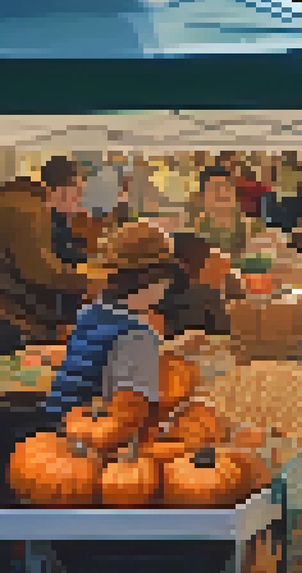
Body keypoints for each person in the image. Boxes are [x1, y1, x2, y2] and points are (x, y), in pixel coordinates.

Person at [43, 223, 178, 430]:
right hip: (88, 435)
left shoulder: (89, 313)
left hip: (56, 423)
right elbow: (130, 413)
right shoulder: (138, 335)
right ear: (158, 279)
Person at [0, 170, 91, 355]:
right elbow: (40, 269)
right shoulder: (24, 208)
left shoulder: (16, 204)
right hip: (17, 315)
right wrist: (90, 283)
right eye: (77, 192)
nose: (79, 200)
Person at [194, 166, 266, 259]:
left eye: (227, 187)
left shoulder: (255, 229)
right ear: (203, 198)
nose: (223, 193)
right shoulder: (196, 236)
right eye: (216, 188)